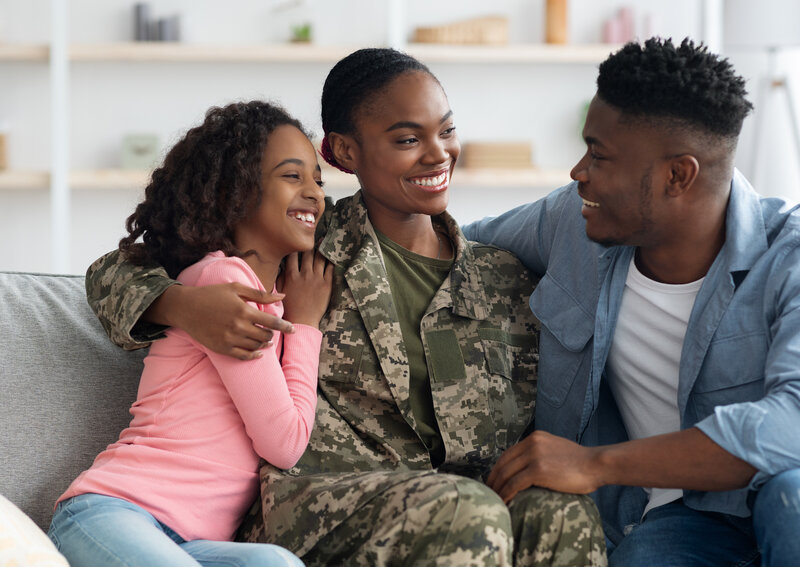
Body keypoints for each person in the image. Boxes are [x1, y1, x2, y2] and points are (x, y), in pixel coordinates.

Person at [83, 49, 606, 566]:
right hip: (319, 504)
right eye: (407, 139)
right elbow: (114, 270)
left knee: (564, 514)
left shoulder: (506, 280)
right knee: (461, 512)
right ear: (345, 152)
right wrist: (183, 305)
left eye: (446, 131)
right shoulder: (301, 243)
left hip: (464, 503)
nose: (438, 154)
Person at [463, 38, 800, 566]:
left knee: (795, 499)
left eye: (599, 155)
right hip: (683, 519)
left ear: (678, 176)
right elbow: (451, 245)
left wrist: (596, 464)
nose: (579, 172)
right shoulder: (571, 224)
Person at [49, 101, 333, 567]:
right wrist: (305, 325)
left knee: (280, 564)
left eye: (318, 180)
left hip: (186, 540)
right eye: (291, 176)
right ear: (236, 191)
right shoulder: (223, 282)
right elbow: (284, 441)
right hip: (113, 511)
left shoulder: (269, 293)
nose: (314, 194)